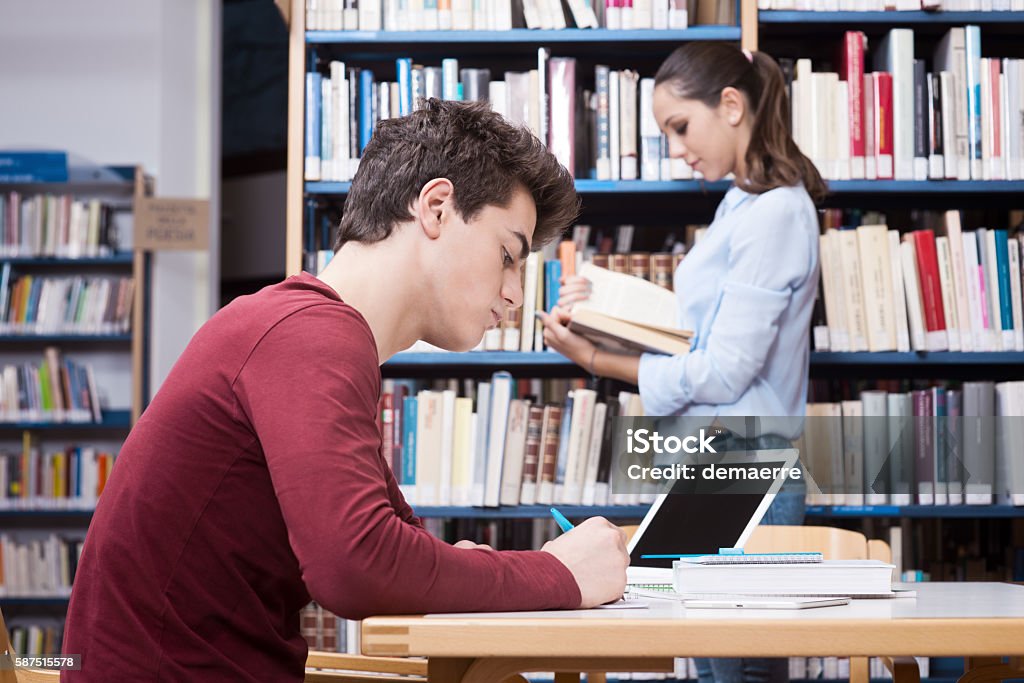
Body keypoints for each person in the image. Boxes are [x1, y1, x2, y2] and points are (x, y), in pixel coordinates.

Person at [62, 99, 630, 682]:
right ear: (436, 207)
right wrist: (558, 576)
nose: (514, 294)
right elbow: (357, 565)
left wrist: (486, 566)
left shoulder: (309, 329)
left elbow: (397, 545)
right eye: (508, 255)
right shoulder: (309, 336)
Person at [539, 42, 826, 683]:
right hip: (716, 462)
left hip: (746, 468)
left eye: (679, 127)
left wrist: (597, 358)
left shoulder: (777, 211)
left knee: (739, 673)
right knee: (716, 667)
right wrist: (609, 307)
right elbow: (703, 337)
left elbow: (724, 371)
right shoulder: (742, 204)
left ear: (730, 106)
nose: (676, 148)